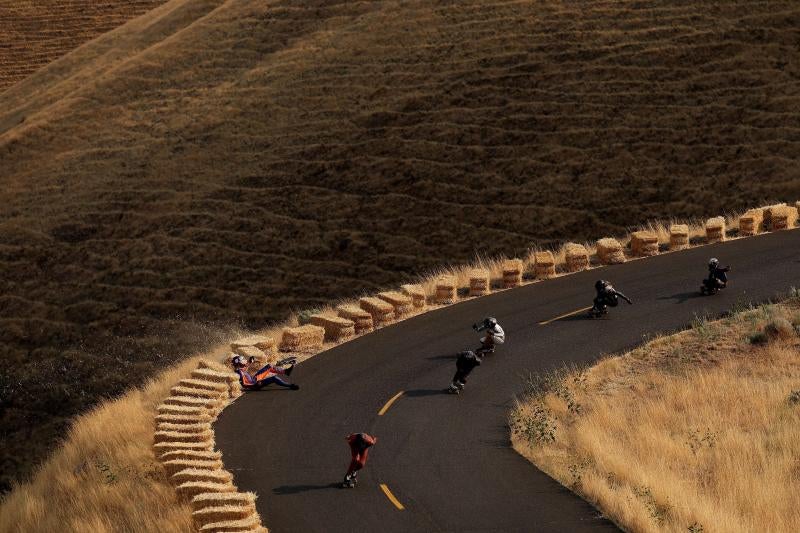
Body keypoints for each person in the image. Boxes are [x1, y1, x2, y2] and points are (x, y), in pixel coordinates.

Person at [231, 355, 299, 391]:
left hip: (255, 380)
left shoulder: (240, 369)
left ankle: (285, 371)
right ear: (239, 363)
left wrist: (250, 361)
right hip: (255, 384)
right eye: (243, 360)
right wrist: (255, 384)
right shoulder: (239, 372)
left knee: (269, 366)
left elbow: (245, 367)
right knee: (274, 378)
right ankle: (290, 385)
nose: (244, 361)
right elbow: (244, 384)